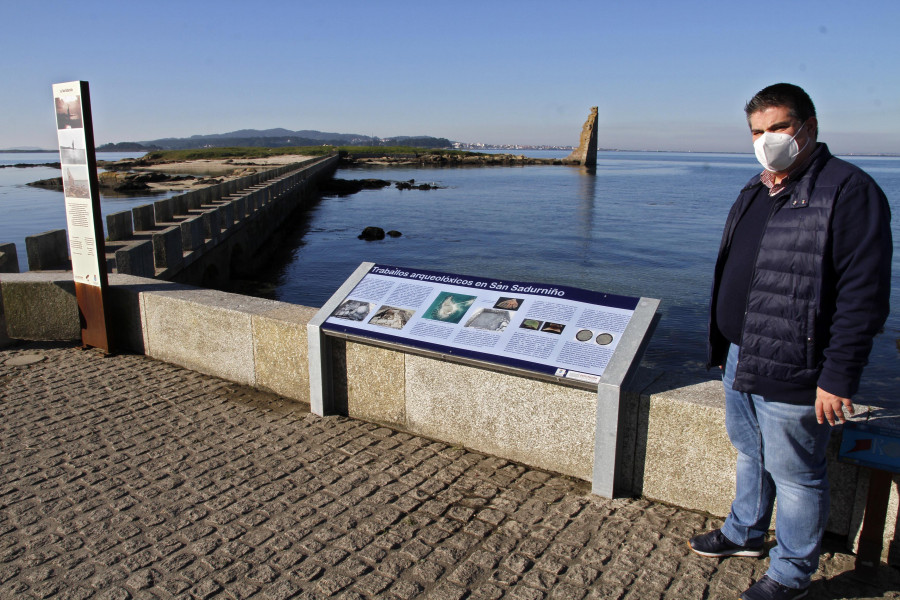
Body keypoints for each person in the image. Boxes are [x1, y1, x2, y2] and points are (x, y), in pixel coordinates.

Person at [690, 83, 893, 600]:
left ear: (809, 127)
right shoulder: (758, 188)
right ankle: (745, 532)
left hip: (797, 362)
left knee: (798, 474)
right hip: (741, 352)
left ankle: (790, 575)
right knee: (749, 451)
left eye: (778, 128)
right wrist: (723, 345)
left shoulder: (849, 191)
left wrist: (838, 377)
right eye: (757, 131)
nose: (767, 139)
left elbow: (862, 298)